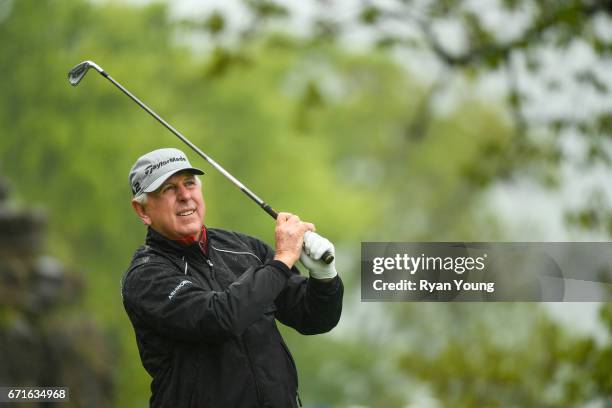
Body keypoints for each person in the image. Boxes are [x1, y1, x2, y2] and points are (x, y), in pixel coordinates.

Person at [121, 148, 343, 408]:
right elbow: (220, 317)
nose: (185, 196)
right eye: (168, 189)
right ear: (142, 210)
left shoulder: (242, 247)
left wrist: (324, 276)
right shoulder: (146, 276)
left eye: (190, 183)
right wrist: (282, 259)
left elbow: (313, 318)